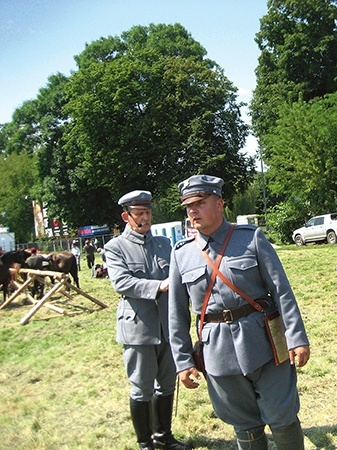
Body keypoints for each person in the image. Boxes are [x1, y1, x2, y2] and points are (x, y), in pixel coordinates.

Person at [168, 175, 310, 450]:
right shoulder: (181, 254)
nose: (192, 211)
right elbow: (176, 315)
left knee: (282, 415)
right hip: (218, 352)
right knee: (244, 423)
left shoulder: (250, 238)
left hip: (265, 343)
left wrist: (297, 338)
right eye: (188, 206)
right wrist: (183, 361)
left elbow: (281, 290)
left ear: (219, 204)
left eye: (200, 203)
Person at [104, 190, 190, 450]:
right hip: (138, 328)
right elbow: (122, 282)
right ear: (126, 216)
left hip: (167, 326)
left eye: (148, 213)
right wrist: (159, 286)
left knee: (166, 384)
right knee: (142, 387)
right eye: (139, 213)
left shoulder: (165, 244)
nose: (145, 218)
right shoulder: (115, 247)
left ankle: (164, 437)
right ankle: (145, 443)